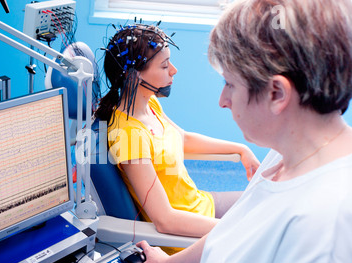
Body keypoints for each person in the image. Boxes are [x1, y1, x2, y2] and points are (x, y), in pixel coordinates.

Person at [130, 0, 352, 263]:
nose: (223, 100)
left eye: (230, 84)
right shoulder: (286, 154)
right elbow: (230, 234)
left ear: (276, 93)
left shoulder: (329, 228)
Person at [94, 24, 260, 244]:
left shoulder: (148, 103)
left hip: (202, 205)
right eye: (164, 66)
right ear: (133, 77)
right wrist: (236, 230)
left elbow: (182, 138)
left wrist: (241, 149)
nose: (174, 70)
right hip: (186, 235)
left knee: (272, 203)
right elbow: (165, 220)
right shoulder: (129, 136)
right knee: (268, 230)